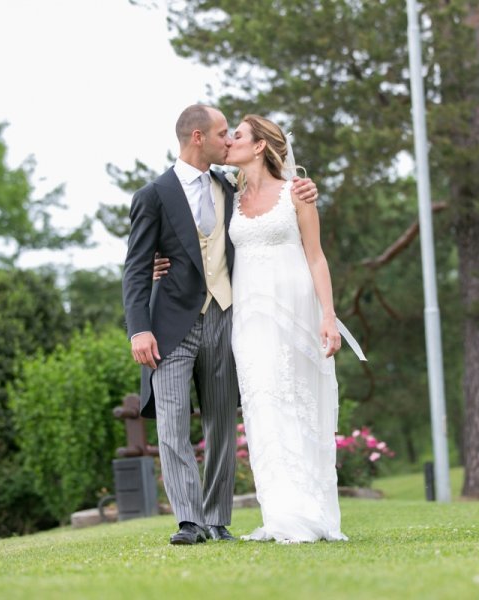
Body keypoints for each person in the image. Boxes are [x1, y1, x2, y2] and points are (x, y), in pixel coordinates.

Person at [121, 104, 318, 546]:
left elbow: (272, 199)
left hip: (226, 318)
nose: (228, 141)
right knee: (171, 424)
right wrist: (139, 329)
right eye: (222, 133)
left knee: (221, 424)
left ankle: (216, 517)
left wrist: (302, 187)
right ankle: (189, 521)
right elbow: (135, 268)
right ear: (197, 137)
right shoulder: (153, 195)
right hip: (169, 326)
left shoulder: (230, 186)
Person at [225, 114, 347, 543]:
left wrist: (328, 316)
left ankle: (311, 511)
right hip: (249, 317)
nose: (228, 140)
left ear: (259, 146)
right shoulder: (228, 197)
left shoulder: (297, 192)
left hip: (295, 310)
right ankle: (280, 514)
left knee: (298, 403)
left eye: (236, 135)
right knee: (262, 406)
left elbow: (316, 257)